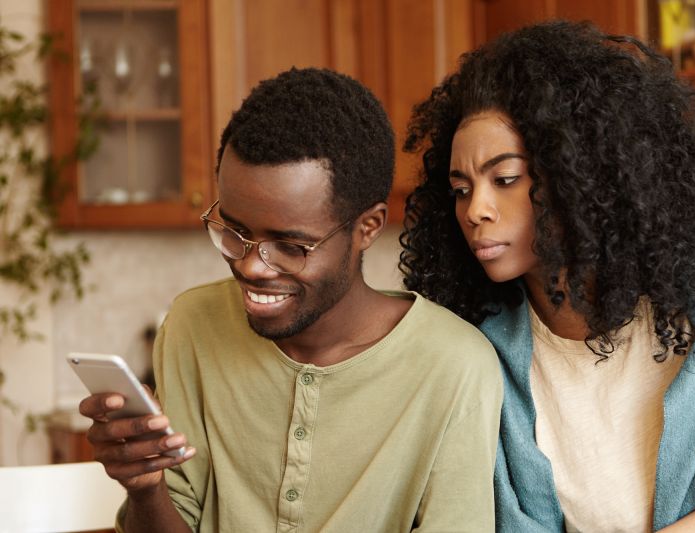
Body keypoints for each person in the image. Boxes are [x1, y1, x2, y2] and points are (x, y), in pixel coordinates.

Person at [400, 20, 695, 533]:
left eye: (504, 179)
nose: (476, 209)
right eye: (460, 188)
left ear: (579, 172)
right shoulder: (478, 343)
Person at [79, 67, 503, 532]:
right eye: (234, 231)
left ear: (368, 229)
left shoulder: (455, 366)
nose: (251, 266)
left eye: (291, 246)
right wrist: (146, 488)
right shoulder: (192, 325)